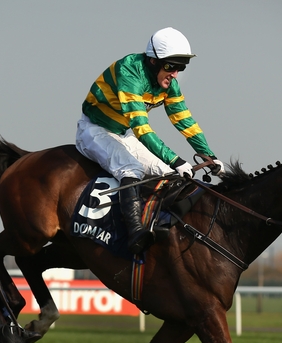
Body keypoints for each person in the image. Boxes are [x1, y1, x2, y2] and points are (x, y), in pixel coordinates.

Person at [75, 27, 225, 254]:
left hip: (123, 134)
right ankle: (134, 232)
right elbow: (142, 128)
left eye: (180, 67)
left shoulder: (169, 85)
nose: (175, 74)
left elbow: (185, 121)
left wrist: (209, 156)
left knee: (168, 173)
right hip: (95, 130)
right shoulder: (129, 72)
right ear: (153, 61)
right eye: (170, 66)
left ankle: (159, 226)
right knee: (131, 169)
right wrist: (176, 159)